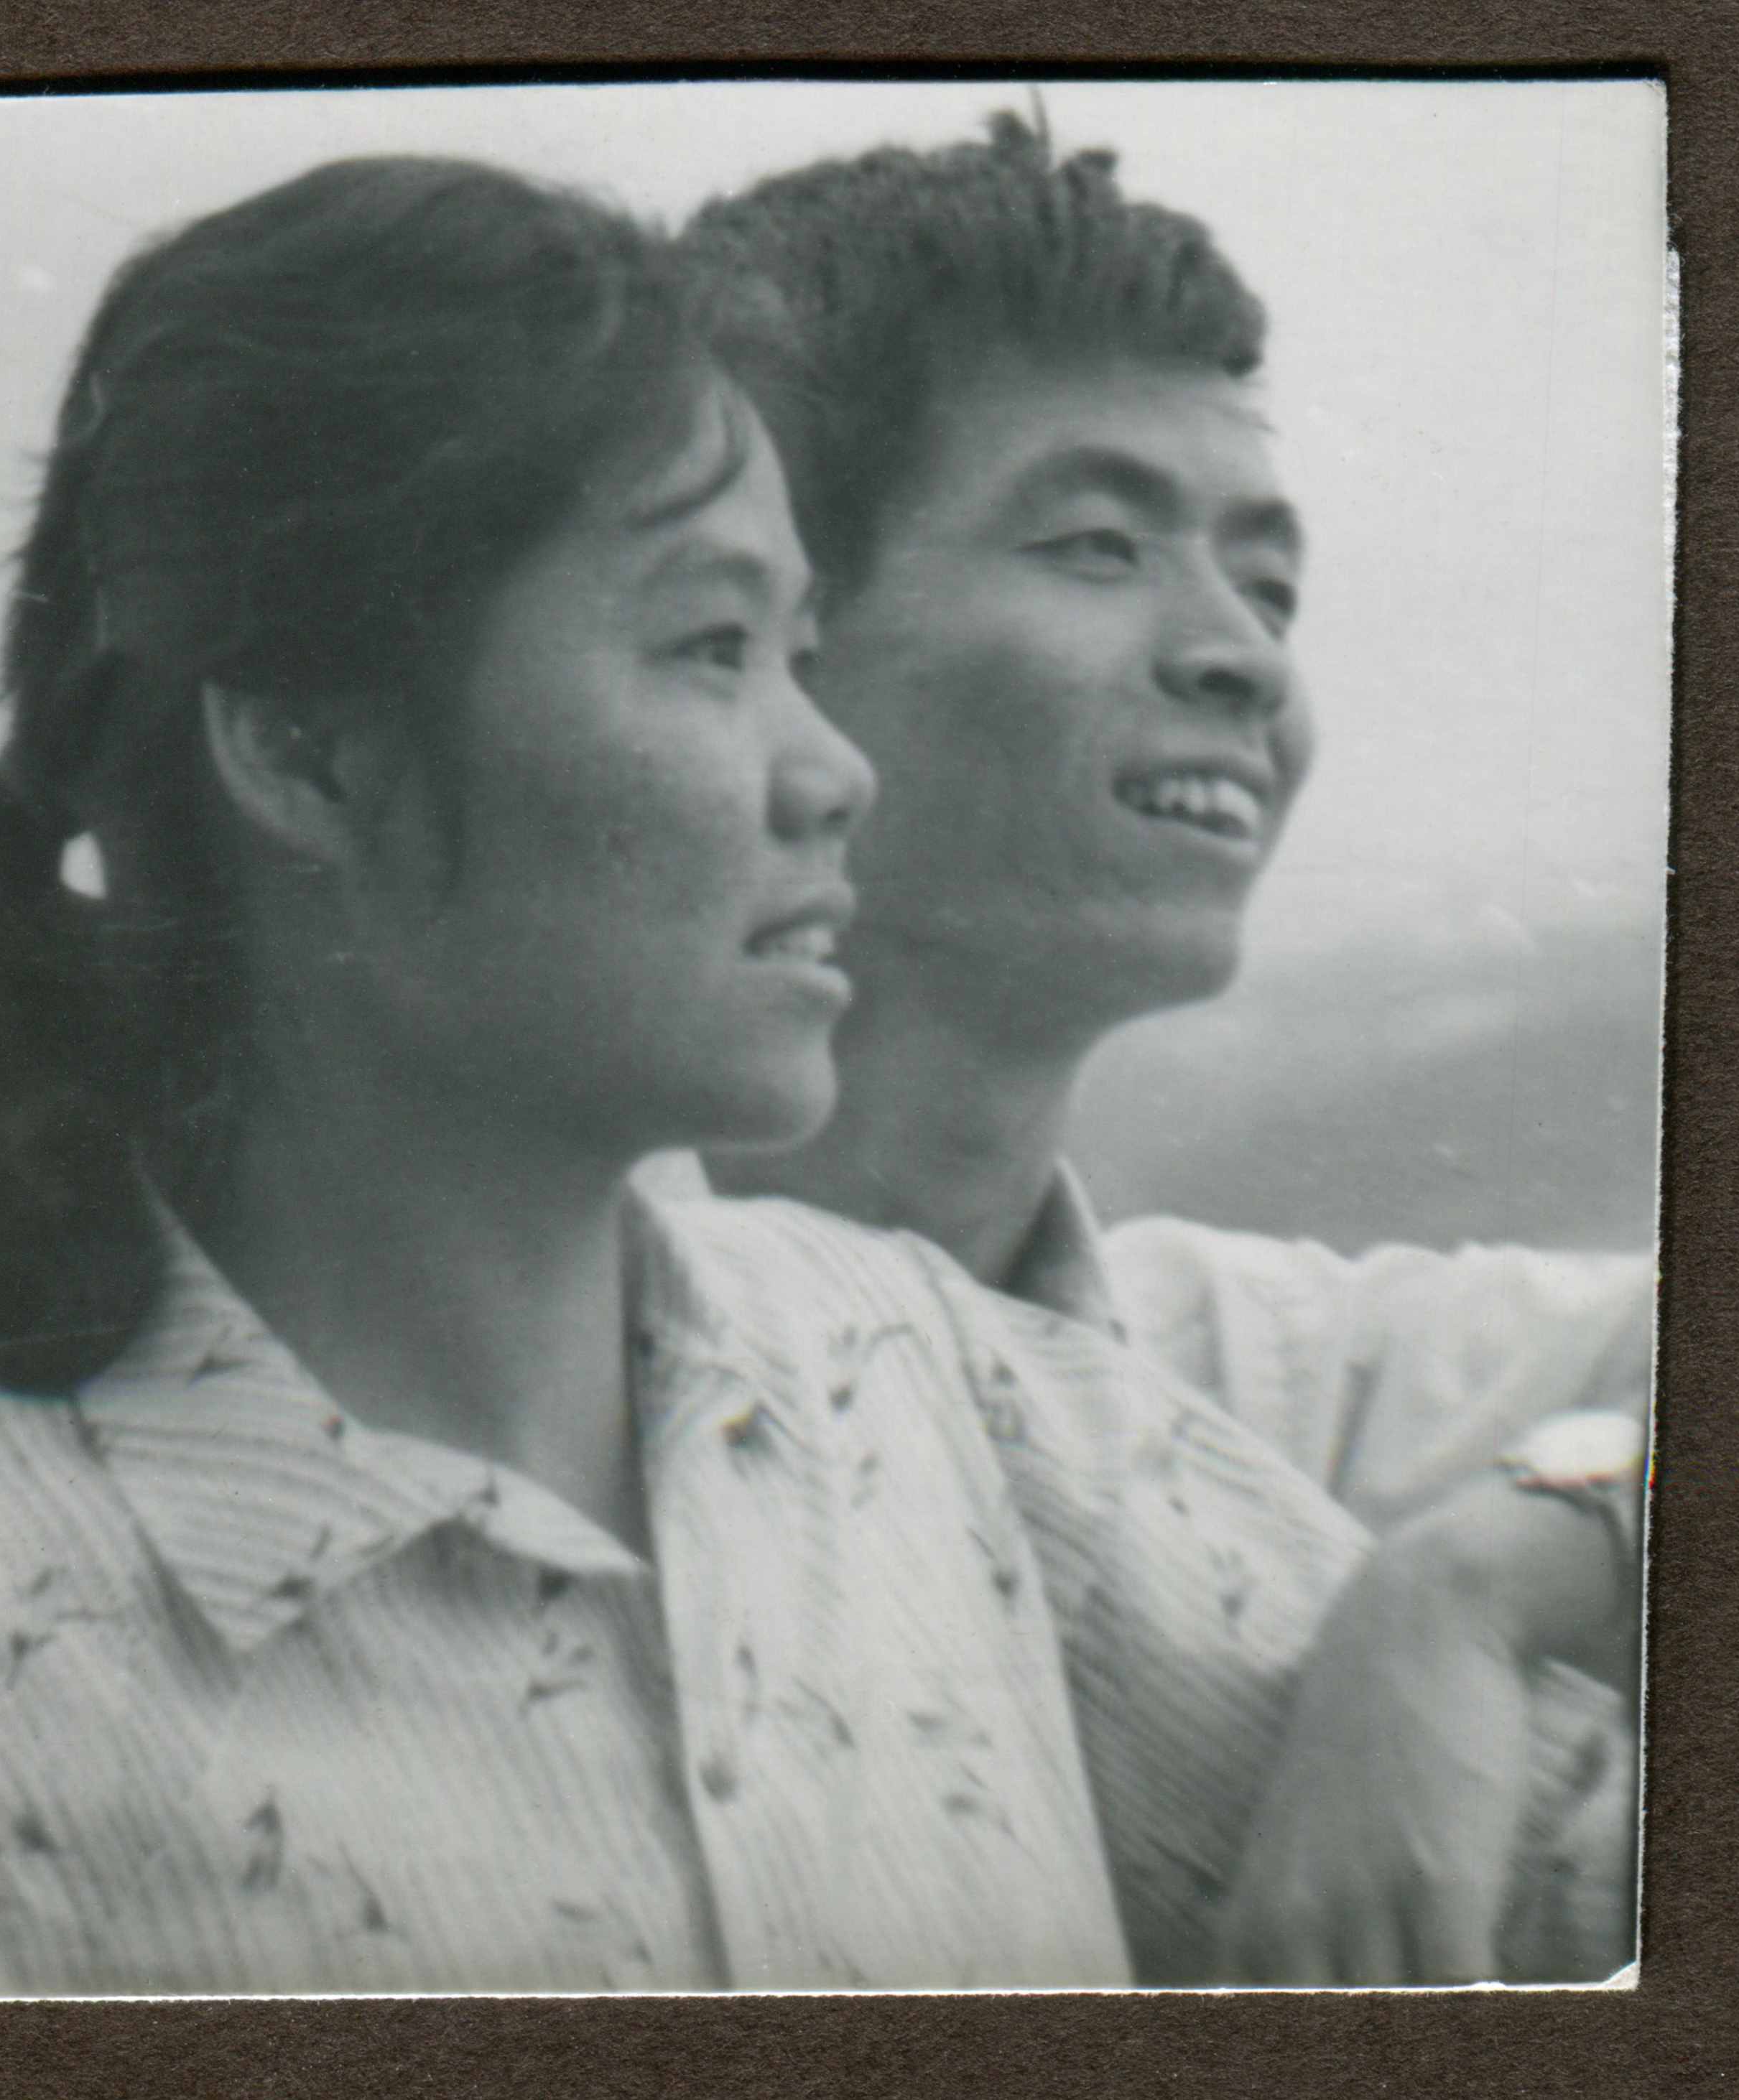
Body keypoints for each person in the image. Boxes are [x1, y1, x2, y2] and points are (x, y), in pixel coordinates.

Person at [0, 152, 1608, 2000]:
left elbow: (1622, 1886)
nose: (828, 769)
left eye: (797, 650)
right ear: (309, 754)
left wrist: (1480, 1582)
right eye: (709, 647)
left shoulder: (934, 1396)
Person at [678, 116, 1650, 1979]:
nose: (1243, 658)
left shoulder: (1260, 1375)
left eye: (1269, 585)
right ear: (762, 632)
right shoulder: (492, 1370)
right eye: (1100, 544)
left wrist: (1493, 1570)